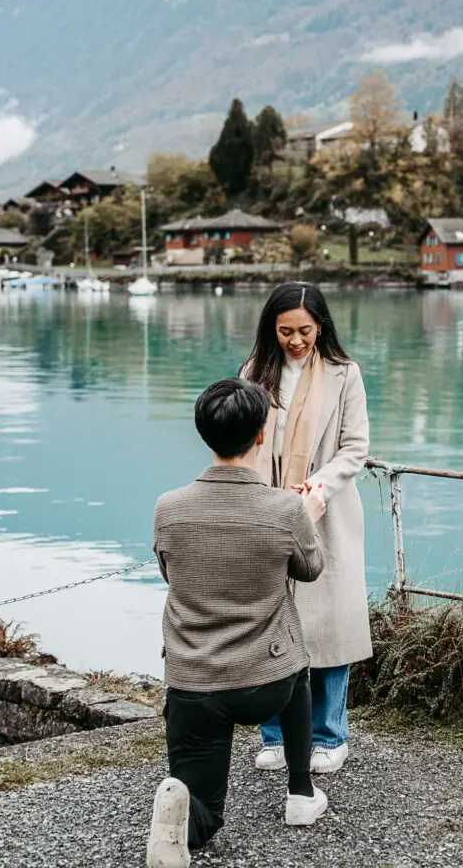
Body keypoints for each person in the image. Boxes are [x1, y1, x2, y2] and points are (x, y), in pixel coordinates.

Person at [148, 378, 328, 868]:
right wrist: (308, 516)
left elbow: (170, 574)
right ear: (261, 435)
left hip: (194, 684)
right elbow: (311, 569)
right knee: (298, 665)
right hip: (268, 683)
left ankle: (183, 823)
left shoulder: (169, 508)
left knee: (203, 804)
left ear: (203, 433)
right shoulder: (285, 509)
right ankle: (300, 792)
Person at [241, 281, 371, 776]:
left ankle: (329, 737)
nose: (295, 341)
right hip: (268, 510)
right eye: (285, 331)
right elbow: (244, 438)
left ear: (321, 327)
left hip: (326, 512)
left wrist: (317, 486)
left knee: (330, 626)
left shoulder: (345, 374)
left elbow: (355, 447)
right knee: (270, 624)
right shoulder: (254, 372)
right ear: (271, 329)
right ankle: (274, 735)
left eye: (305, 331)